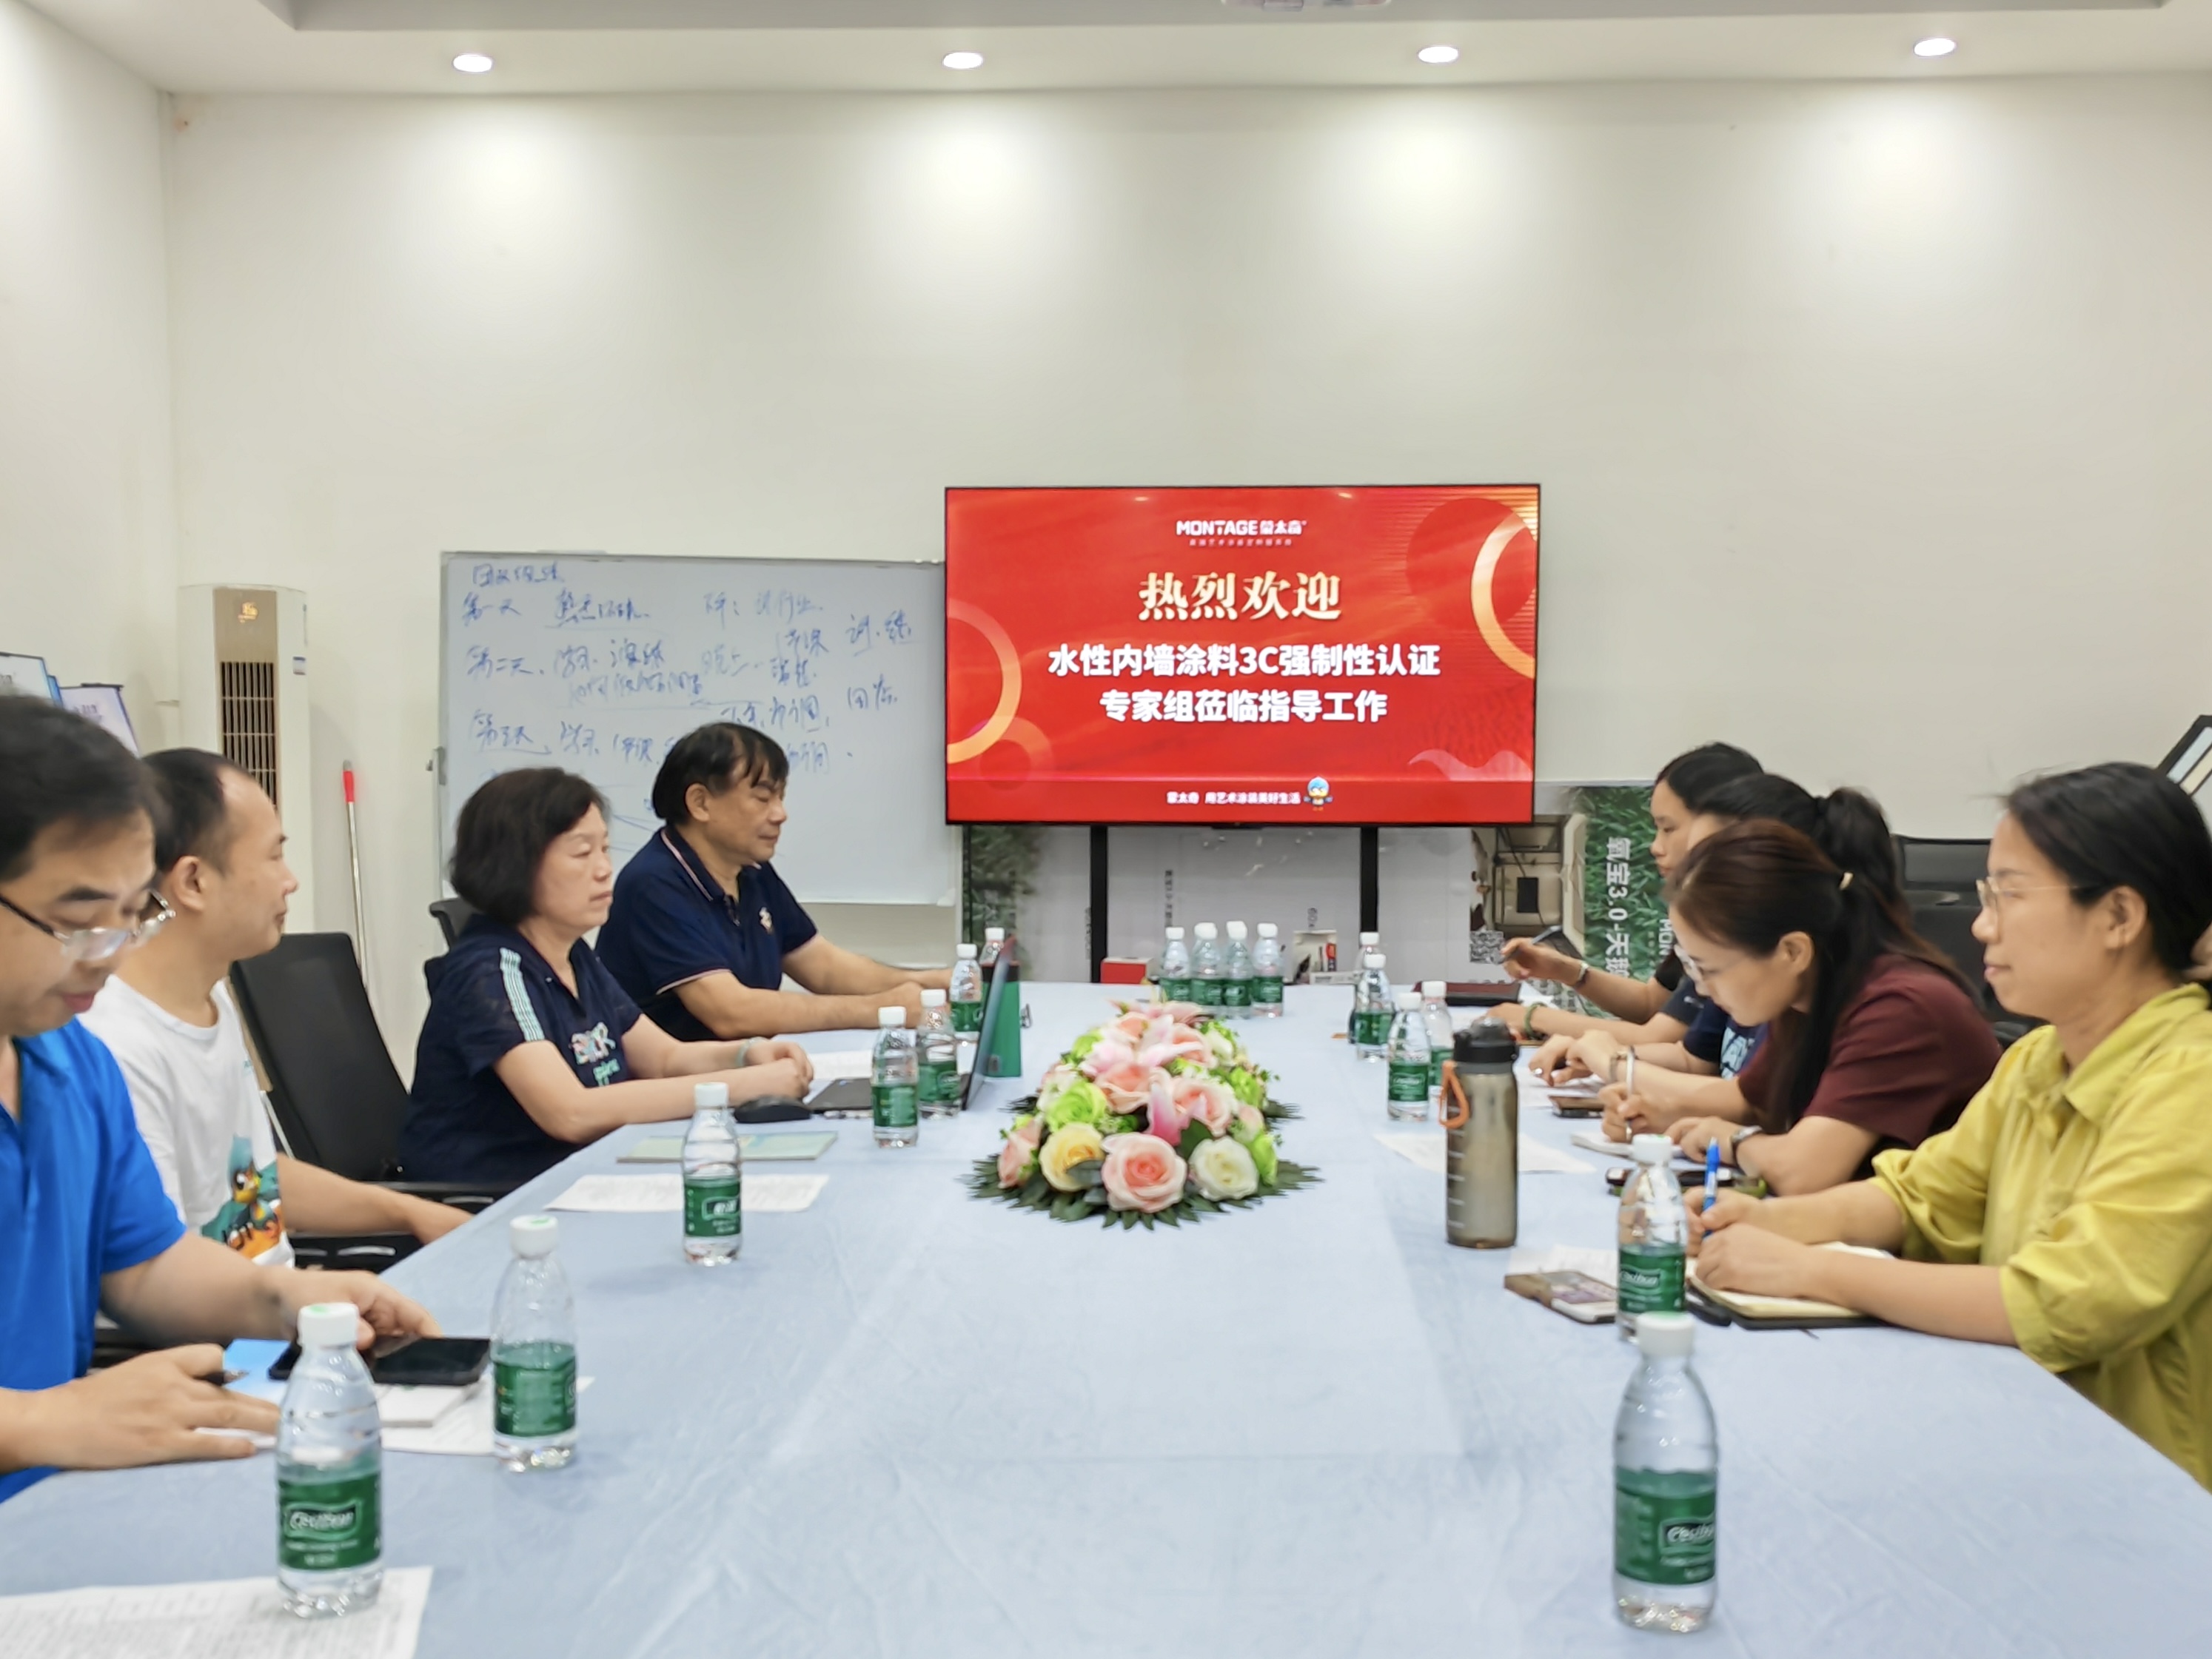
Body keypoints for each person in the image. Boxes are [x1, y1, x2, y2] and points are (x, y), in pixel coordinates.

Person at [1693, 763, 2212, 1487]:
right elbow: (1918, 1196)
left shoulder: (2192, 1079)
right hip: (2022, 1434)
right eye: (1985, 895)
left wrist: (1811, 1269)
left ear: (2119, 917)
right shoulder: (2037, 1059)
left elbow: (2065, 1301)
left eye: (2009, 896)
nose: (1981, 925)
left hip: (2145, 1482)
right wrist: (1764, 1219)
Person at [0, 700, 436, 1502]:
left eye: (131, 917)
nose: (109, 956)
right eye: (79, 922)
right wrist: (36, 1422)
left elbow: (146, 1264)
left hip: (61, 1502)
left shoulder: (67, 1061)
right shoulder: (106, 1041)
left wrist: (289, 1297)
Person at [83, 750, 469, 1262]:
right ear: (194, 881)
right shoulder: (113, 1044)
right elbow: (163, 1273)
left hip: (276, 1299)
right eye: (273, 856)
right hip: (237, 1312)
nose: (291, 880)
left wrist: (412, 1212)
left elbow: (252, 1177)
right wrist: (322, 1295)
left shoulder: (211, 997)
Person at [403, 767, 818, 1186]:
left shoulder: (572, 953)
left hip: (586, 1169)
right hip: (499, 1196)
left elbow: (664, 1059)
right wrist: (743, 1086)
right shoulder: (492, 970)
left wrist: (747, 1054)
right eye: (582, 854)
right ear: (513, 865)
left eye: (604, 849)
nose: (604, 869)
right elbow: (570, 1113)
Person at [1655, 816, 1999, 1194]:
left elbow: (1802, 1172)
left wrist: (1733, 1141)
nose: (1703, 989)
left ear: (1792, 951)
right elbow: (1755, 1102)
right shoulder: (1808, 994)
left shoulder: (1901, 1009)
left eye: (1708, 969)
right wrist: (1662, 1113)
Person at [597, 723, 949, 1040]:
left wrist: (927, 983)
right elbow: (731, 1012)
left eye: (781, 797)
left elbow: (823, 968)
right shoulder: (655, 884)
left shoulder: (751, 870)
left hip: (749, 1072)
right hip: (671, 1084)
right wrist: (881, 1009)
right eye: (763, 798)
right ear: (700, 803)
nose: (780, 814)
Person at [1481, 743, 1762, 1048]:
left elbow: (1658, 1038)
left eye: (1668, 829)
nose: (1655, 847)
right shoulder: (1700, 909)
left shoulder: (1741, 918)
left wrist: (1532, 1017)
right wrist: (1565, 970)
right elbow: (1653, 1003)